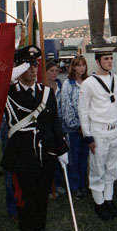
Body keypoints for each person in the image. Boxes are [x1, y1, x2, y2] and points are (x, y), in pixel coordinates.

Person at [1, 45, 68, 231]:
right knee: (25, 202)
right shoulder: (8, 92)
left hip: (45, 156)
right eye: (27, 65)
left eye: (35, 64)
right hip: (22, 158)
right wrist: (13, 72)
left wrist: (62, 148)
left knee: (41, 198)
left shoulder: (46, 92)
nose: (32, 69)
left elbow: (54, 122)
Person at [78, 48, 117, 220]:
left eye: (111, 58)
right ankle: (99, 203)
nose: (110, 61)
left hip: (115, 130)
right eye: (106, 59)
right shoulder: (88, 84)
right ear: (97, 61)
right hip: (99, 131)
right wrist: (88, 136)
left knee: (112, 167)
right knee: (98, 168)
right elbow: (83, 111)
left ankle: (108, 199)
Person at [60, 56, 90, 199]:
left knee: (84, 157)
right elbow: (67, 107)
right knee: (73, 158)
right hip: (74, 129)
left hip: (87, 129)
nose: (81, 68)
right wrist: (77, 125)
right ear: (73, 67)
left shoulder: (88, 82)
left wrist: (87, 125)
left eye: (83, 65)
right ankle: (74, 186)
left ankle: (83, 184)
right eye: (78, 65)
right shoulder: (68, 84)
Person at [45, 61, 66, 196]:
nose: (54, 73)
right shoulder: (42, 87)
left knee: (59, 154)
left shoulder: (60, 85)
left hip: (59, 124)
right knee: (48, 157)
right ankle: (49, 185)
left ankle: (58, 183)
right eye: (51, 71)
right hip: (47, 125)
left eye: (56, 71)